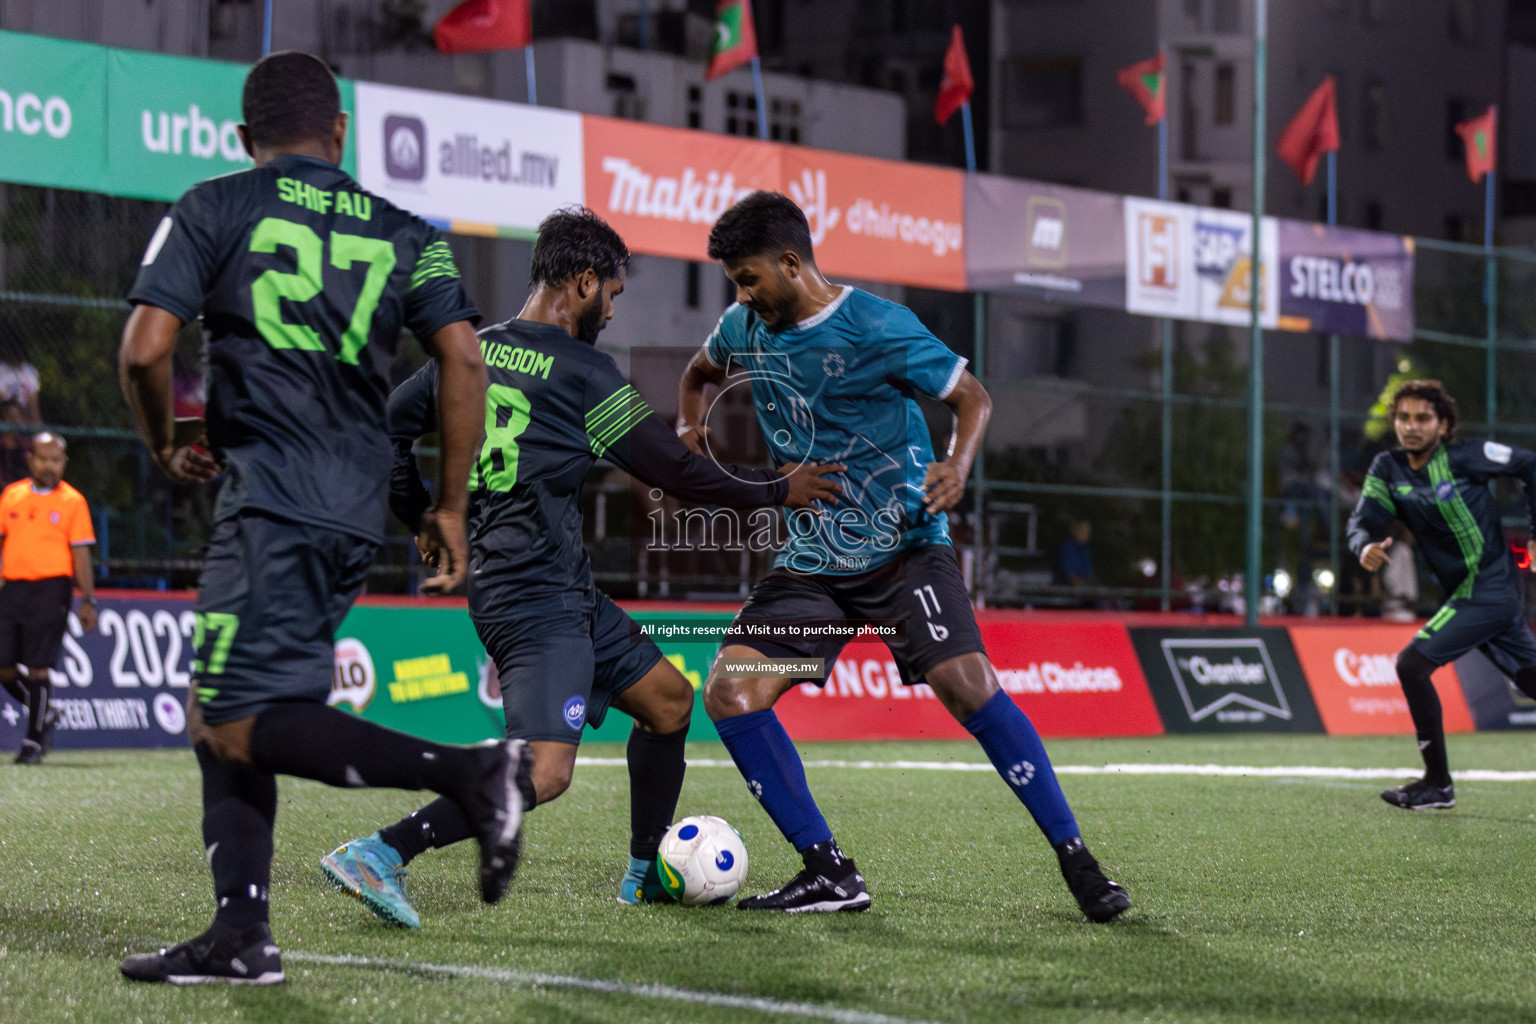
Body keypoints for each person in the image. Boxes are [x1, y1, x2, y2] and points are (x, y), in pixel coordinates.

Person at [116, 51, 529, 986]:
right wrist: (450, 506)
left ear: (241, 138)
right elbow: (465, 364)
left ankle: (471, 773)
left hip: (272, 501)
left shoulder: (215, 203)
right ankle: (240, 934)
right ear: (341, 133)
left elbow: (144, 349)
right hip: (355, 506)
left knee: (231, 719)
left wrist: (155, 442)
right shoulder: (406, 231)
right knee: (223, 712)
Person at [321, 207, 843, 927]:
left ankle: (643, 877)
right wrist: (779, 488)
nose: (612, 310)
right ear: (584, 280)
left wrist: (422, 515)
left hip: (553, 587)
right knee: (545, 771)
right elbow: (674, 470)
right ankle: (381, 852)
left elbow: (387, 431)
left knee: (666, 703)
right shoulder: (582, 373)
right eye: (614, 295)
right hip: (535, 598)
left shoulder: (471, 351)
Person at [675, 191, 1130, 921]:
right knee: (731, 692)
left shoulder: (879, 326)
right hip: (813, 563)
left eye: (750, 276)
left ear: (792, 263)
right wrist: (689, 426)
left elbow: (973, 398)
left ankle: (1078, 861)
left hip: (904, 552)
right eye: (735, 281)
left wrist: (958, 465)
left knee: (968, 685)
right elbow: (699, 374)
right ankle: (829, 872)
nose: (741, 294)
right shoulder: (743, 327)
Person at [1348, 379, 1536, 810]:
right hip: (1470, 595)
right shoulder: (1388, 468)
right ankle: (1438, 786)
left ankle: (1438, 784)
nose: (1411, 426)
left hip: (1490, 589)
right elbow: (1362, 521)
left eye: (1423, 418)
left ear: (1444, 424)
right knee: (1530, 680)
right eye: (1403, 418)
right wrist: (1364, 546)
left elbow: (1531, 465)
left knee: (1411, 664)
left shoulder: (1466, 456)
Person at [0, 432, 98, 764]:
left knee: (39, 668)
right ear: (30, 459)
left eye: (56, 459)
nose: (49, 465)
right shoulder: (11, 496)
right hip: (12, 588)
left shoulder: (73, 502)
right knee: (4, 668)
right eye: (43, 458)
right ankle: (46, 713)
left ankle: (33, 741)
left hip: (51, 589)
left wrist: (88, 599)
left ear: (64, 464)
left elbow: (81, 553)